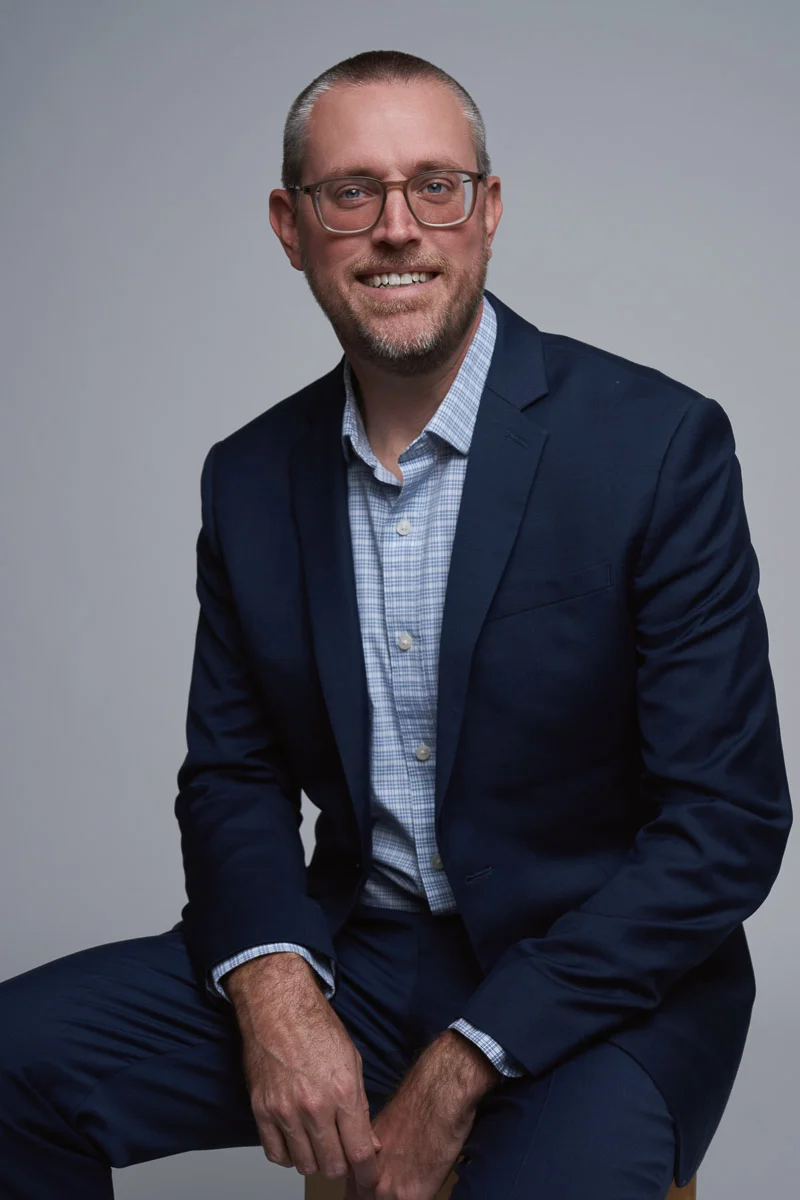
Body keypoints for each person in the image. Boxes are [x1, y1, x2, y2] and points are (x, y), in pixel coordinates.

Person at [0, 49, 792, 1200]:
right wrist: (272, 982)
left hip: (601, 985)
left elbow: (724, 823)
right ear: (291, 224)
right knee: (12, 1065)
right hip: (354, 959)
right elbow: (233, 773)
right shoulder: (249, 475)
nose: (397, 228)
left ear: (488, 210)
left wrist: (466, 1059)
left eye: (436, 185)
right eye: (350, 192)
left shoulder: (655, 447)